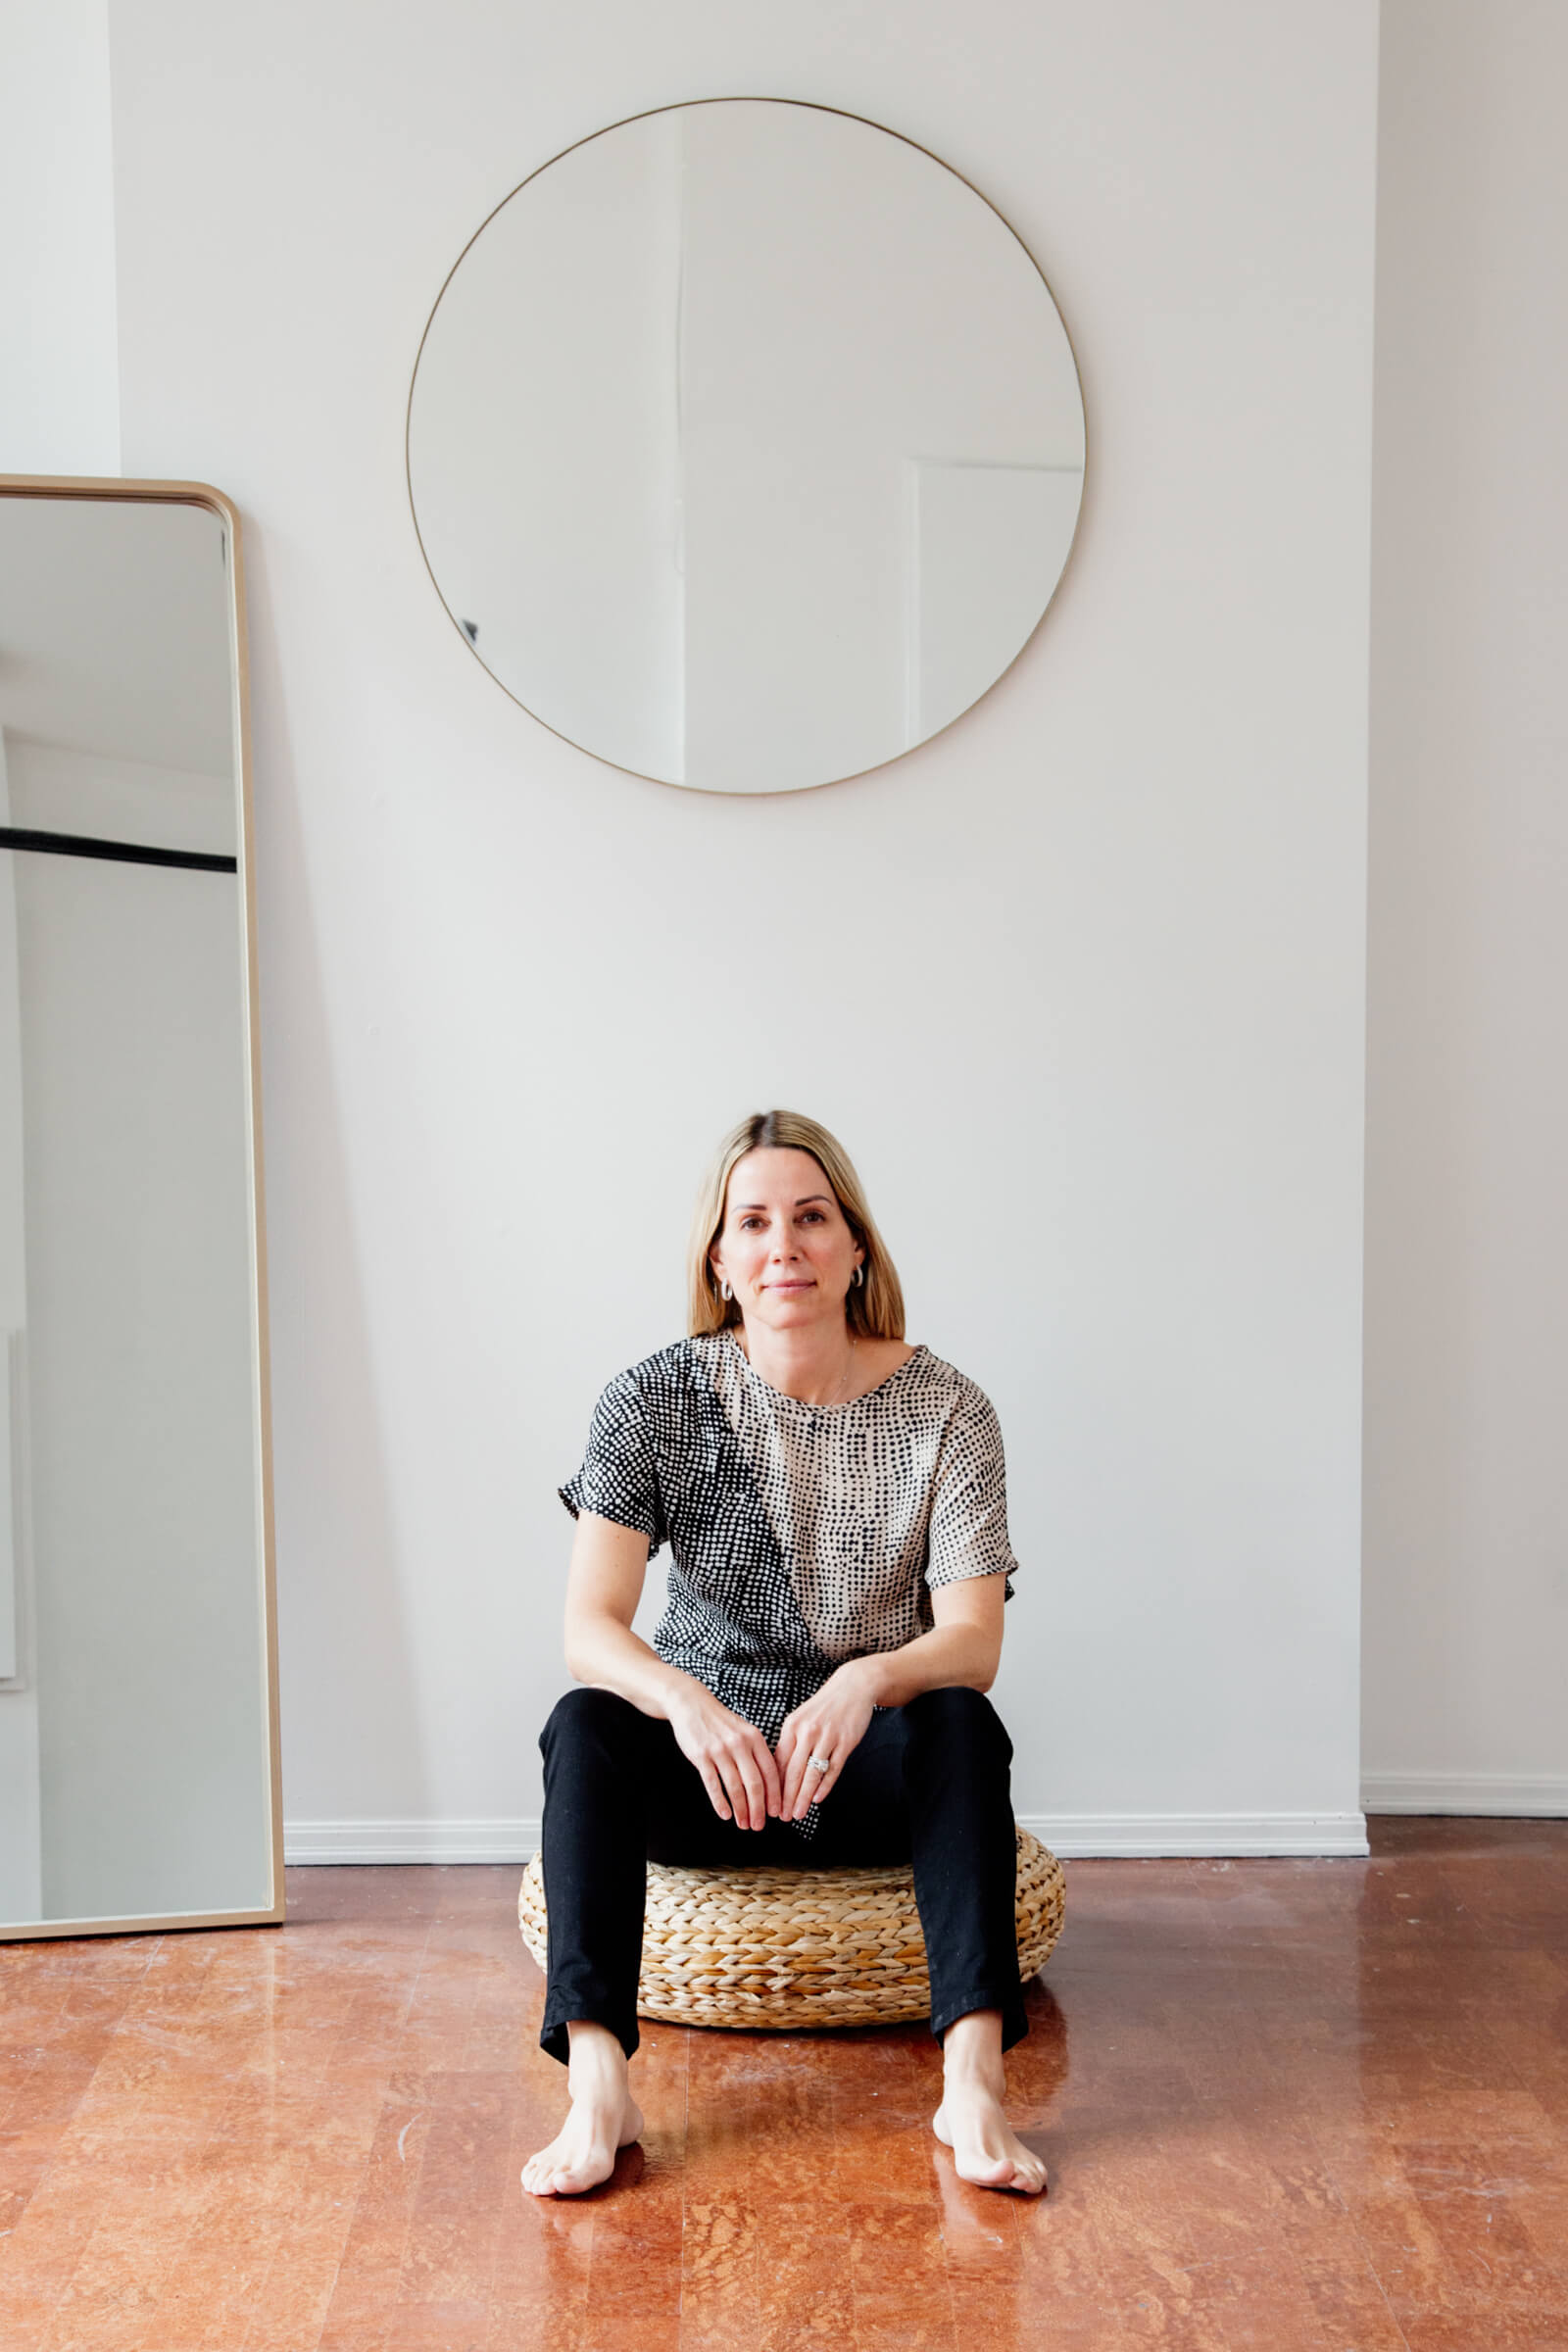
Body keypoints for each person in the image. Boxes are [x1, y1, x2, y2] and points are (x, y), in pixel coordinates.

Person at [521, 1108, 1044, 2198]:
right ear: (720, 1259)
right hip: (711, 1778)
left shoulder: (947, 1409)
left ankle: (973, 2082)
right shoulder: (654, 1399)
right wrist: (682, 1702)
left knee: (958, 1719)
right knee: (586, 1725)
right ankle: (599, 2086)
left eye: (810, 1218)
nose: (782, 1245)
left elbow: (974, 1642)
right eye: (752, 1222)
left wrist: (865, 1679)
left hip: (863, 1777)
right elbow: (589, 1628)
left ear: (855, 1246)